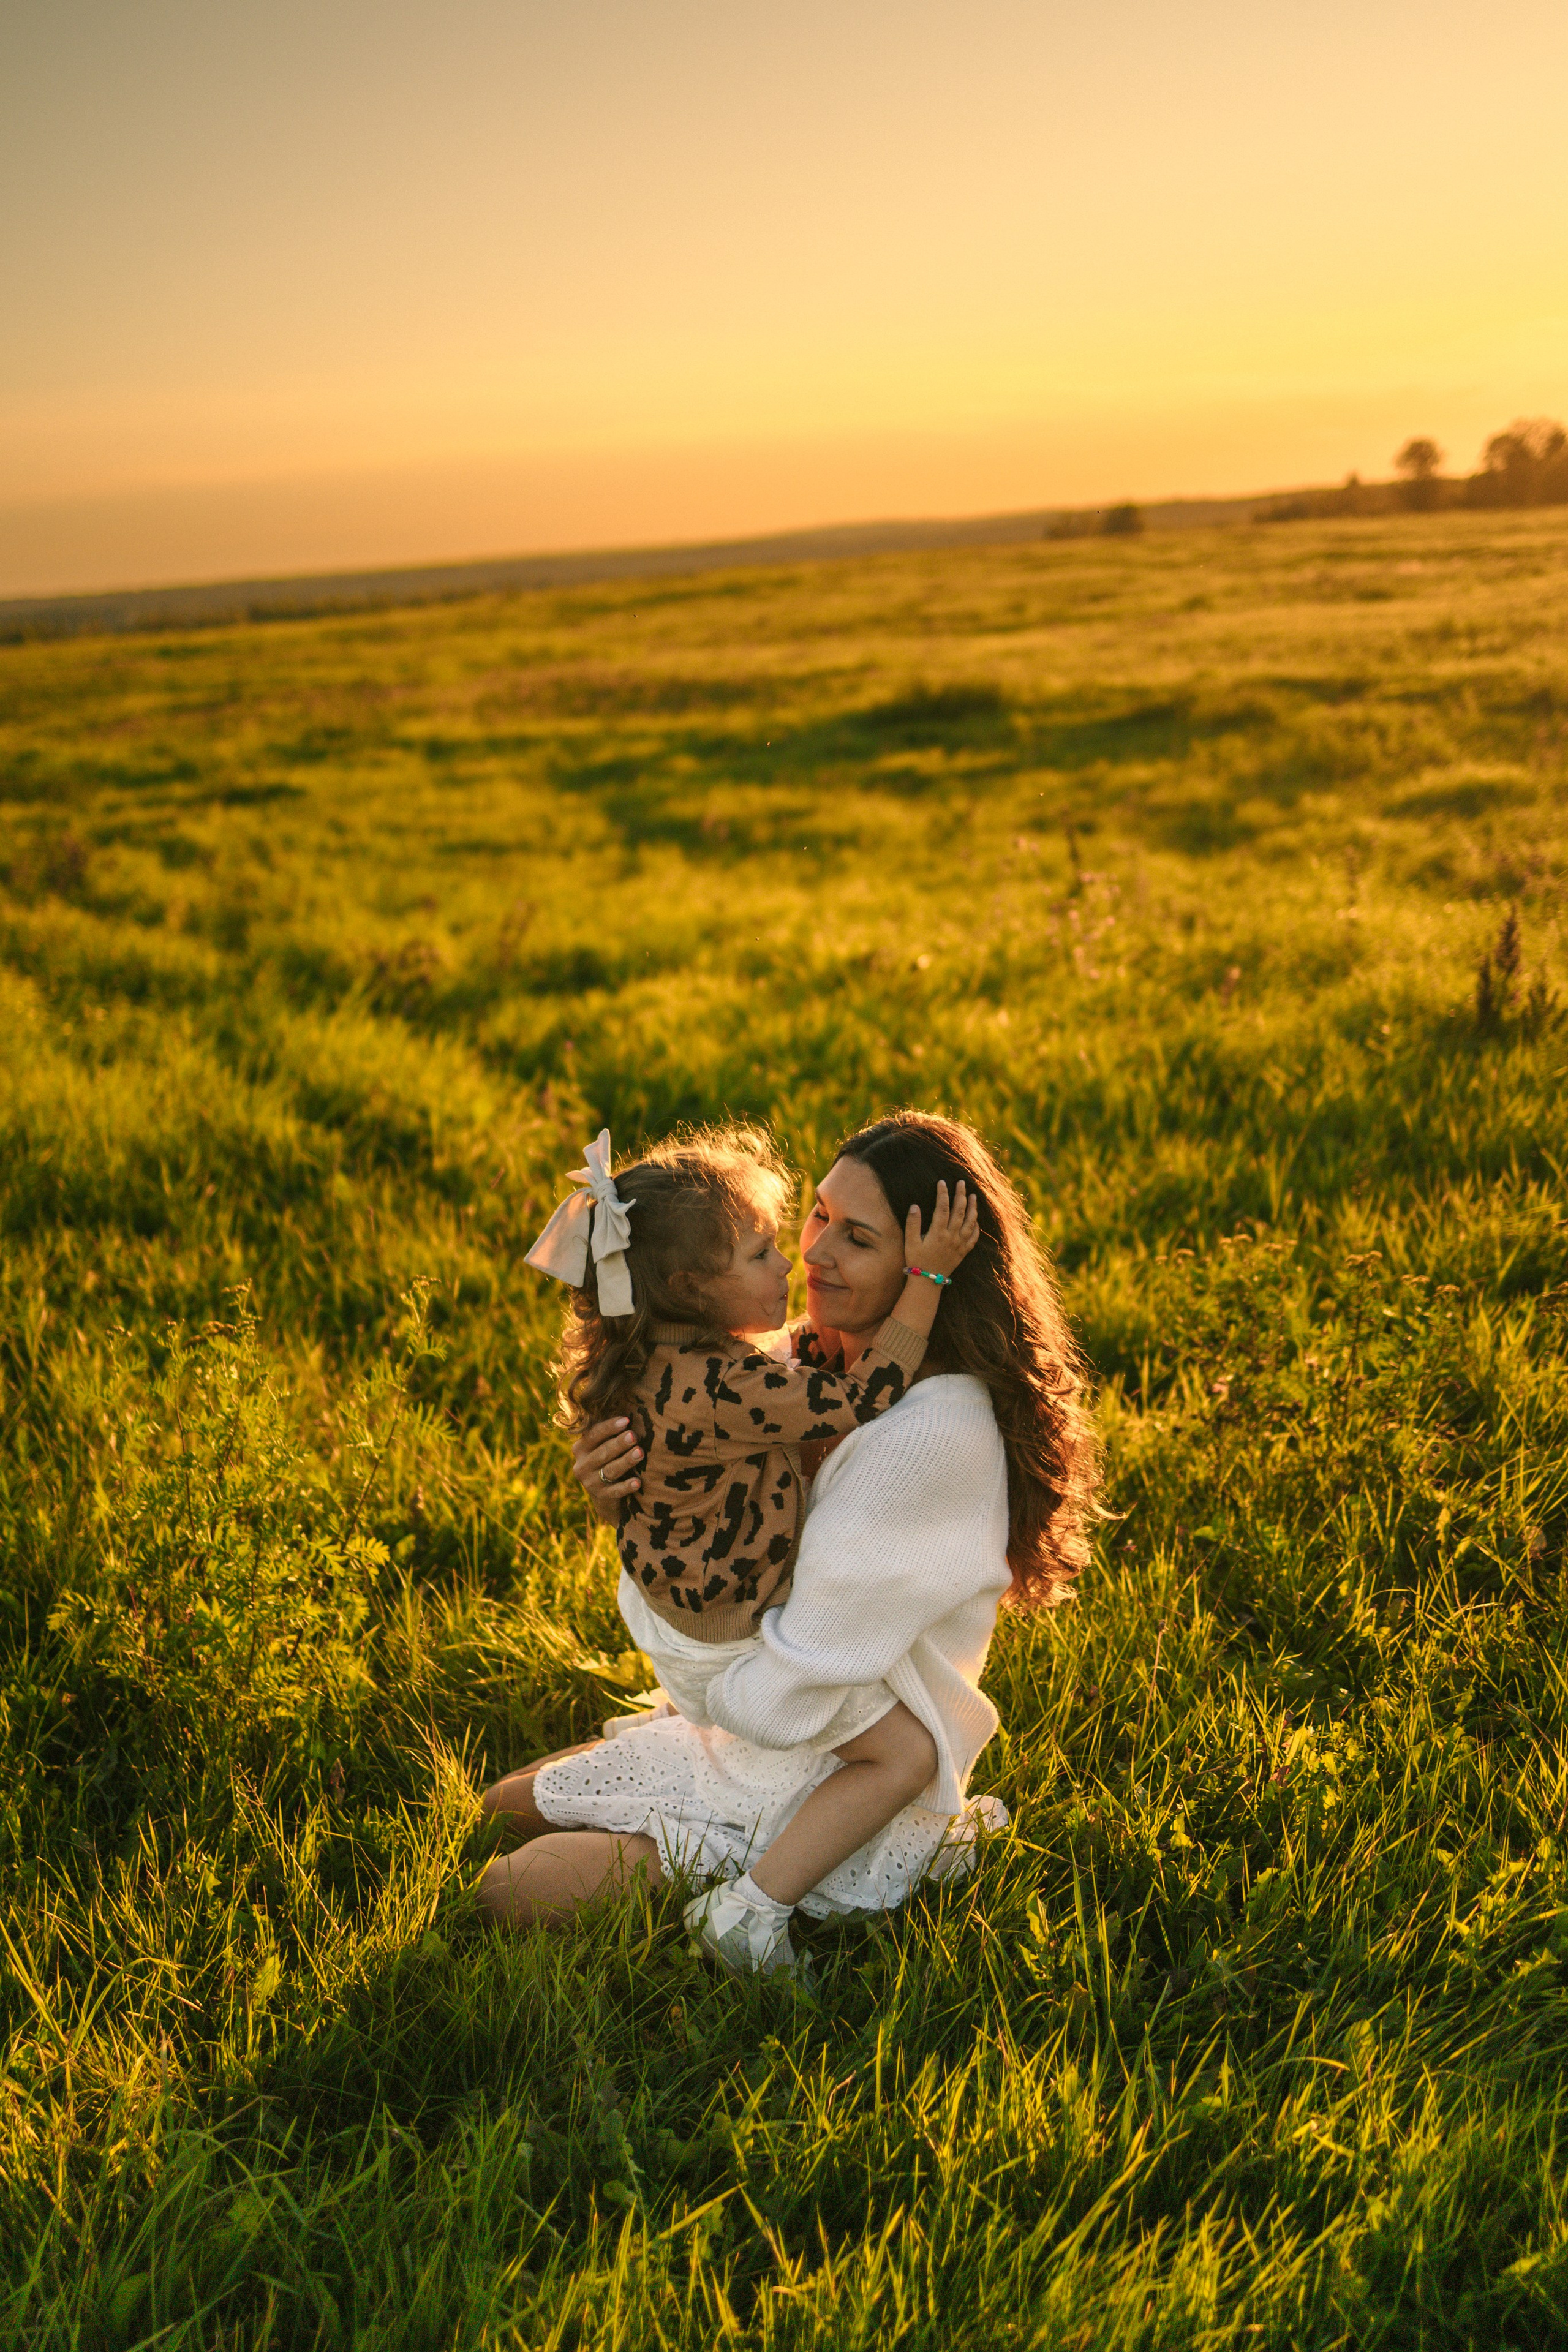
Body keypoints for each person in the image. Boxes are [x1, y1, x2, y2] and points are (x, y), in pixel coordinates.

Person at [478, 1112, 1097, 1973]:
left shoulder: (930, 1434)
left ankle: (751, 1904)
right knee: (500, 1805)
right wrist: (615, 1492)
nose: (813, 1254)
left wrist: (700, 1696)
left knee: (506, 1889)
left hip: (825, 1749)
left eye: (858, 1237)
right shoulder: (804, 1352)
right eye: (816, 1217)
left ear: (933, 1268)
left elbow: (811, 1662)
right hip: (755, 1708)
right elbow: (688, 1500)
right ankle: (679, 1814)